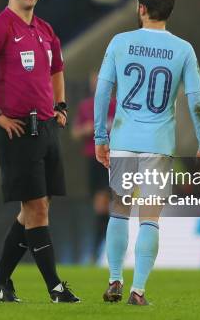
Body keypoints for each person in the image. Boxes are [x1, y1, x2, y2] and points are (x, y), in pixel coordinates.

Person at [0, 0, 80, 303]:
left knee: (36, 207)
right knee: (37, 210)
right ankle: (55, 287)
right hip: (18, 129)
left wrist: (61, 106)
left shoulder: (45, 30)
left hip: (46, 127)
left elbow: (57, 68)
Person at [94, 0, 200, 305]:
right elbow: (196, 101)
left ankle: (114, 279)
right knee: (149, 217)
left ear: (141, 9)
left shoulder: (120, 42)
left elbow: (103, 92)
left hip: (122, 140)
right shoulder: (183, 49)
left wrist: (100, 137)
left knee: (119, 210)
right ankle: (138, 289)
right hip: (157, 144)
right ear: (169, 12)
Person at [71, 71, 115, 262]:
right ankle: (100, 249)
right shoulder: (86, 107)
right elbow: (74, 133)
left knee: (108, 203)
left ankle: (102, 249)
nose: (97, 85)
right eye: (94, 82)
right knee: (101, 206)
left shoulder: (117, 105)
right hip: (94, 160)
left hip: (115, 159)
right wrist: (84, 130)